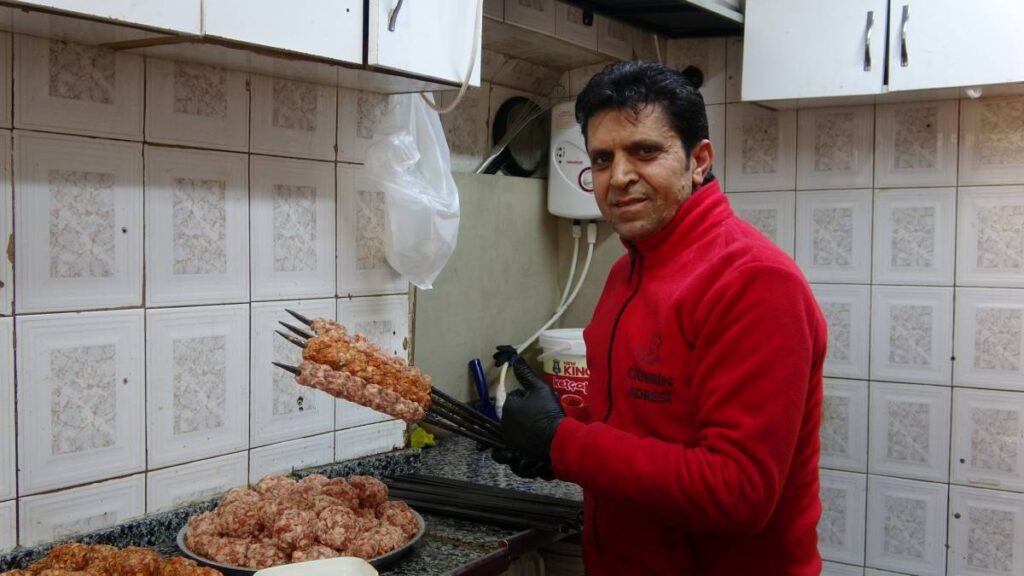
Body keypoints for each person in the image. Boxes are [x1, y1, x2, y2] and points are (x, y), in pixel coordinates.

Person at [493, 61, 827, 575]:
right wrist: (556, 432)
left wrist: (565, 443)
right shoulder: (627, 271)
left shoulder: (754, 281)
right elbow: (638, 425)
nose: (619, 176)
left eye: (644, 151)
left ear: (699, 160)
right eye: (602, 159)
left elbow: (737, 492)